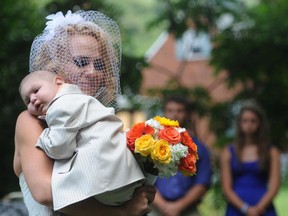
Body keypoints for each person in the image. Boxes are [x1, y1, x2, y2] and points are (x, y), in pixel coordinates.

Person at [14, 10, 155, 216]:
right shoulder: (30, 121)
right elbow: (45, 192)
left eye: (98, 64)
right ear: (55, 66)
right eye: (81, 62)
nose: (92, 72)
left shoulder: (98, 117)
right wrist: (124, 212)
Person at [19, 69, 144, 207]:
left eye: (36, 90)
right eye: (27, 100)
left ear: (59, 82)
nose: (33, 99)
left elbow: (60, 149)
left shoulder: (61, 106)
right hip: (122, 174)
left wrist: (42, 137)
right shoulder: (78, 98)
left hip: (104, 180)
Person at [149, 95, 212, 216]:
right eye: (170, 110)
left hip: (188, 208)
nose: (175, 114)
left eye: (179, 110)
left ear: (187, 114)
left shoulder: (197, 147)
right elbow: (146, 179)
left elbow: (203, 182)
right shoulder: (151, 143)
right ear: (164, 112)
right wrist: (164, 206)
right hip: (157, 207)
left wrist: (178, 207)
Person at [220, 100, 280, 216]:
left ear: (260, 124)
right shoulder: (228, 152)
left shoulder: (271, 152)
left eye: (253, 121)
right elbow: (227, 188)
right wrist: (245, 209)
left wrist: (258, 209)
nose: (249, 125)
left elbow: (274, 186)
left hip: (263, 208)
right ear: (239, 123)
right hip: (236, 208)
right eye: (245, 121)